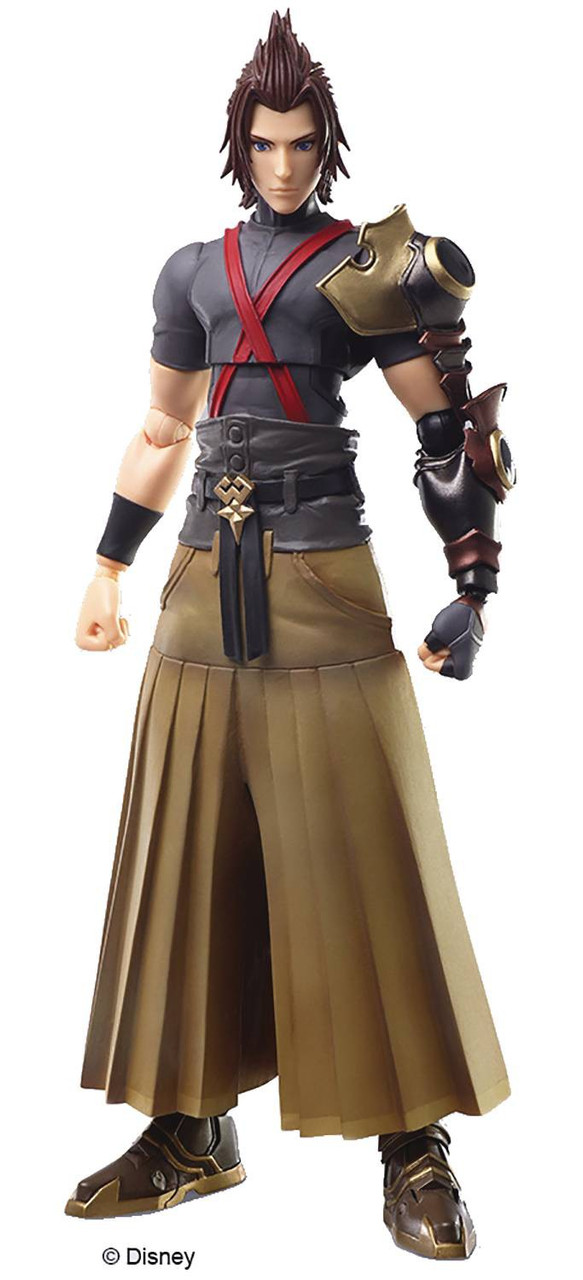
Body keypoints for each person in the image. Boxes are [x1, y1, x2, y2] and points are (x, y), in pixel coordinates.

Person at [66, 9, 514, 1261]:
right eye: (262, 143)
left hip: (324, 574)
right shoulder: (189, 272)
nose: (281, 163)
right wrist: (107, 563)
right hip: (202, 578)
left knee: (364, 848)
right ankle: (189, 1129)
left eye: (301, 142)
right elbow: (163, 430)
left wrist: (474, 586)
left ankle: (413, 1144)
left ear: (328, 144)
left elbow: (448, 435)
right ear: (236, 142)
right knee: (186, 849)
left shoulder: (369, 270)